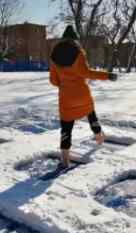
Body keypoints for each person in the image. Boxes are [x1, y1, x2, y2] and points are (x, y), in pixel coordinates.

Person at [49, 25, 118, 168]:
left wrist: (64, 84)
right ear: (75, 40)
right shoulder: (78, 53)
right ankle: (99, 138)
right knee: (91, 116)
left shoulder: (54, 57)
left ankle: (65, 159)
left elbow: (53, 81)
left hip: (66, 99)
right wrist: (107, 75)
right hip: (82, 95)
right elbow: (87, 73)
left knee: (66, 129)